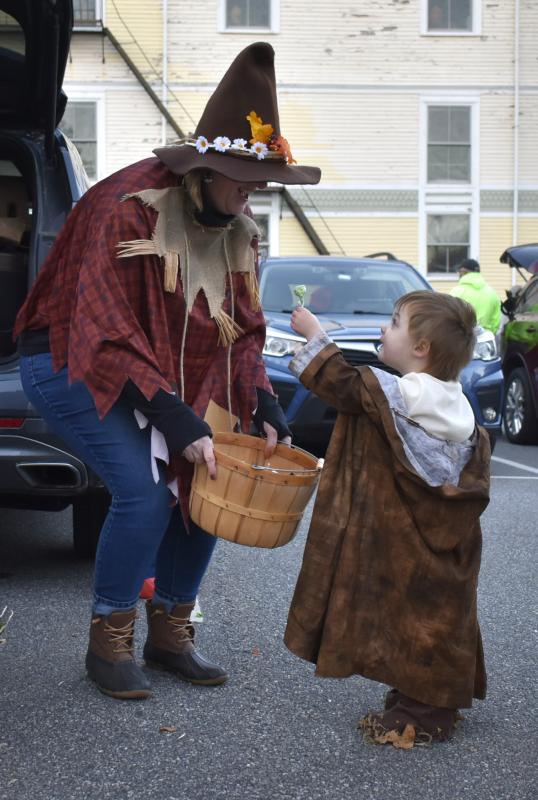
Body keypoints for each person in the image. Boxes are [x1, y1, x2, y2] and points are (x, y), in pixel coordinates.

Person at [14, 42, 321, 700]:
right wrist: (175, 417)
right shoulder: (125, 206)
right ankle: (109, 638)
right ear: (202, 169)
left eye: (258, 184)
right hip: (68, 361)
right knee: (147, 491)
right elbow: (107, 333)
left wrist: (263, 402)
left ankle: (171, 629)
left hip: (159, 376)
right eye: (240, 181)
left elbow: (241, 332)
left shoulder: (239, 232)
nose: (250, 197)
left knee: (209, 478)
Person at [283, 291, 491, 747]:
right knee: (435, 616)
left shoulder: (405, 392)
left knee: (410, 613)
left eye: (394, 323)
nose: (383, 328)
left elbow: (344, 383)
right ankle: (425, 694)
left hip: (408, 539)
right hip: (450, 539)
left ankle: (425, 715)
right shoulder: (454, 401)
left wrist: (316, 335)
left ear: (422, 349)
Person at [450, 258, 501, 334]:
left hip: (462, 341)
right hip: (485, 340)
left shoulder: (456, 292)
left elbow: (449, 319)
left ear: (464, 271)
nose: (459, 274)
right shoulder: (492, 293)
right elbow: (495, 323)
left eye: (459, 271)